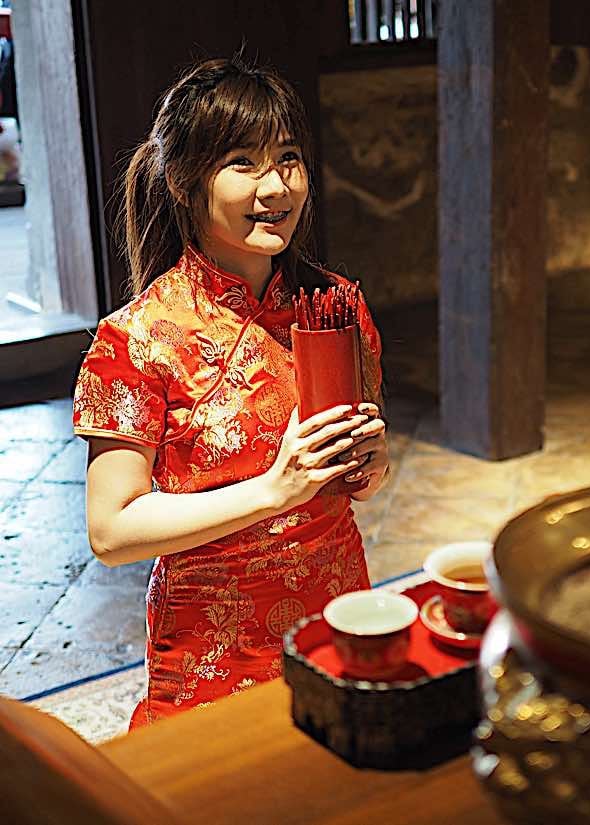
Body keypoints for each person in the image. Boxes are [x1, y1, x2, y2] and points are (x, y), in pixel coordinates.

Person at [72, 57, 389, 727]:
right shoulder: (137, 339)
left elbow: (356, 482)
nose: (276, 186)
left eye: (289, 158)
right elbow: (112, 529)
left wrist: (369, 465)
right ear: (186, 183)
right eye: (244, 162)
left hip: (338, 608)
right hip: (215, 649)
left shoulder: (335, 304)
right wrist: (276, 489)